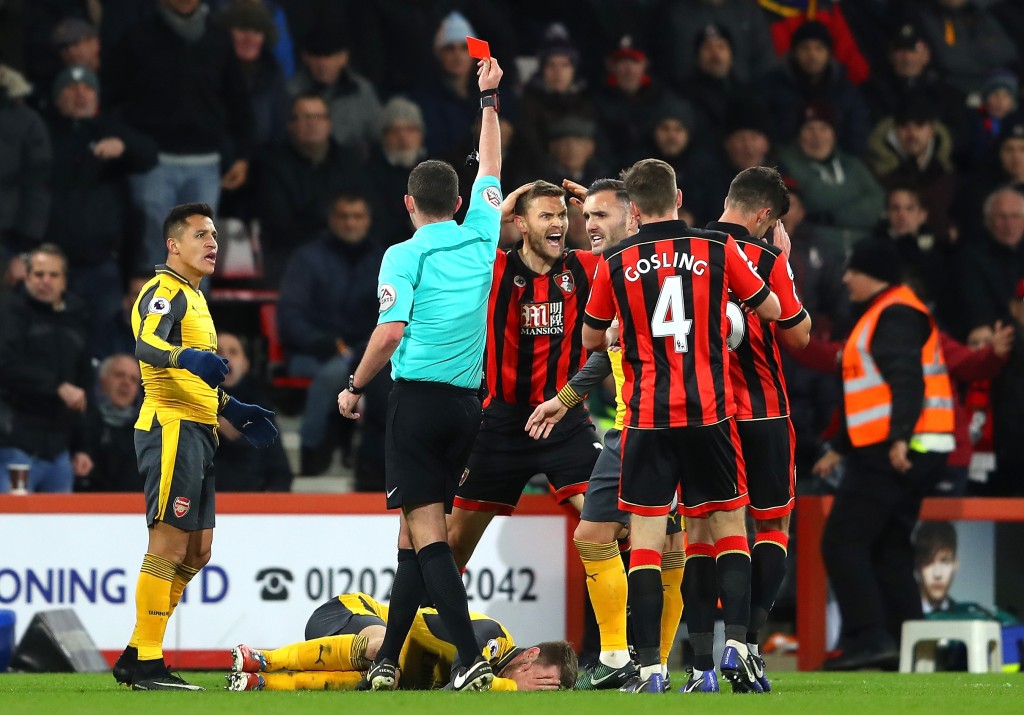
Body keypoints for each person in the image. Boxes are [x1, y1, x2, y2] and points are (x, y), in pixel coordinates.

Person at [336, 57, 505, 693]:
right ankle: (386, 663)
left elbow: (390, 331)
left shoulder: (402, 254)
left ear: (408, 203)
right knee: (412, 536)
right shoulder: (482, 233)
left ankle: (467, 660)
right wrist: (488, 99)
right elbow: (491, 163)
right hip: (467, 408)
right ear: (460, 202)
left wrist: (354, 386)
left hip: (415, 404)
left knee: (425, 533)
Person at [582, 158, 781, 694]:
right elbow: (770, 306)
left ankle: (649, 669)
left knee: (645, 543)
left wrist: (625, 324)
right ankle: (736, 649)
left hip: (647, 419)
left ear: (633, 209)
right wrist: (728, 319)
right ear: (679, 197)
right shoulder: (717, 249)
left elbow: (590, 340)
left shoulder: (615, 261)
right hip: (710, 414)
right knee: (727, 529)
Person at [524, 178, 684, 691]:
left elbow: (603, 343)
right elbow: (604, 355)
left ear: (633, 216)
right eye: (585, 215)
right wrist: (564, 400)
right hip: (667, 420)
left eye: (599, 215)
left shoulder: (627, 268)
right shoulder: (647, 264)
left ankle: (632, 659)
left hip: (649, 421)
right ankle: (650, 661)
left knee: (611, 539)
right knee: (666, 546)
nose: (587, 225)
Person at [113, 203, 278, 691]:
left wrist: (231, 407)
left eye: (214, 236)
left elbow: (194, 375)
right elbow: (146, 347)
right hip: (171, 427)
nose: (213, 243)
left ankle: (137, 651)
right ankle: (146, 661)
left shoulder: (196, 298)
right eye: (201, 235)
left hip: (200, 428)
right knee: (167, 542)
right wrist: (186, 355)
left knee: (198, 551)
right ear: (173, 245)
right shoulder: (163, 291)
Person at [813, 237, 955, 671]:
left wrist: (897, 438)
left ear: (871, 272)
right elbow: (870, 393)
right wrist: (840, 448)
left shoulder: (893, 313)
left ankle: (868, 637)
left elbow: (905, 380)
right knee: (889, 547)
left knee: (842, 541)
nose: (844, 278)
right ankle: (911, 646)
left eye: (851, 270)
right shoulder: (888, 311)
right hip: (907, 446)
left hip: (894, 450)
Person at [445, 179, 601, 571]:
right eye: (546, 215)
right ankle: (430, 626)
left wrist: (598, 208)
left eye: (563, 214)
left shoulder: (583, 266)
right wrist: (496, 212)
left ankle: (625, 632)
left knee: (610, 525)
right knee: (452, 546)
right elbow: (451, 253)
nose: (559, 223)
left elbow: (636, 253)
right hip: (502, 423)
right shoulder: (494, 267)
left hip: (564, 420)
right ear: (522, 224)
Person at [704, 167, 811, 691]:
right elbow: (801, 336)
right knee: (771, 528)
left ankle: (700, 658)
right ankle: (745, 647)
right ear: (766, 216)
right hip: (764, 413)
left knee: (711, 532)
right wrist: (784, 265)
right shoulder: (768, 258)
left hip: (705, 414)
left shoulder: (689, 250)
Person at [105, 0, 254, 269]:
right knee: (153, 246)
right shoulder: (139, 36)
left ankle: (192, 312)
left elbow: (238, 100)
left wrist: (243, 155)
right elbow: (111, 98)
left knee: (200, 252)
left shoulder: (218, 37)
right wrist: (134, 145)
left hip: (205, 161)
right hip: (153, 161)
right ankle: (154, 311)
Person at [225, 591, 576, 691]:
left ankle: (260, 682)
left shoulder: (493, 674)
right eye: (543, 680)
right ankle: (265, 657)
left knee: (377, 682)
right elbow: (465, 670)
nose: (538, 689)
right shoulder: (497, 640)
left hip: (352, 657)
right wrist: (510, 689)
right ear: (529, 656)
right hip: (348, 613)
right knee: (382, 649)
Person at [277, 192, 384, 477]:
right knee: (336, 373)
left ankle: (364, 454)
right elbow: (290, 316)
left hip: (364, 351)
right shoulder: (307, 259)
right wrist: (321, 342)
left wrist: (364, 349)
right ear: (332, 219)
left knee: (361, 371)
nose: (351, 223)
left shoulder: (382, 259)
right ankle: (312, 453)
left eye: (357, 216)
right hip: (310, 353)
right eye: (344, 216)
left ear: (368, 221)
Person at [0, 244, 93, 493]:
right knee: (10, 528)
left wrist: (83, 447)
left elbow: (84, 384)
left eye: (53, 275)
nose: (46, 281)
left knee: (59, 529)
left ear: (64, 280)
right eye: (39, 274)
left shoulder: (77, 315)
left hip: (60, 451)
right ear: (27, 277)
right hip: (15, 445)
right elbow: (5, 365)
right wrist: (56, 387)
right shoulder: (10, 312)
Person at [214, 332, 292, 492]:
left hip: (250, 505)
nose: (225, 359)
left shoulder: (261, 409)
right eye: (218, 352)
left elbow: (281, 473)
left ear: (245, 365)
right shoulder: (187, 407)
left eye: (233, 352)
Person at [79, 354, 142, 492]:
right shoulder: (83, 423)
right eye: (119, 375)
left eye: (133, 379)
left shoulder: (146, 432)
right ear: (103, 380)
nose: (126, 383)